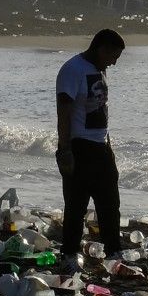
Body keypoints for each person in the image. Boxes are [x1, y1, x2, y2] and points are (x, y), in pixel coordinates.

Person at [54, 28, 126, 271]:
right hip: (79, 145)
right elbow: (63, 111)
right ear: (100, 48)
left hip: (101, 145)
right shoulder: (72, 70)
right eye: (113, 56)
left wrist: (108, 144)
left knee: (110, 202)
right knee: (76, 204)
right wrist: (65, 149)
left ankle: (113, 250)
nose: (114, 62)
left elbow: (101, 110)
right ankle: (70, 253)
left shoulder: (99, 69)